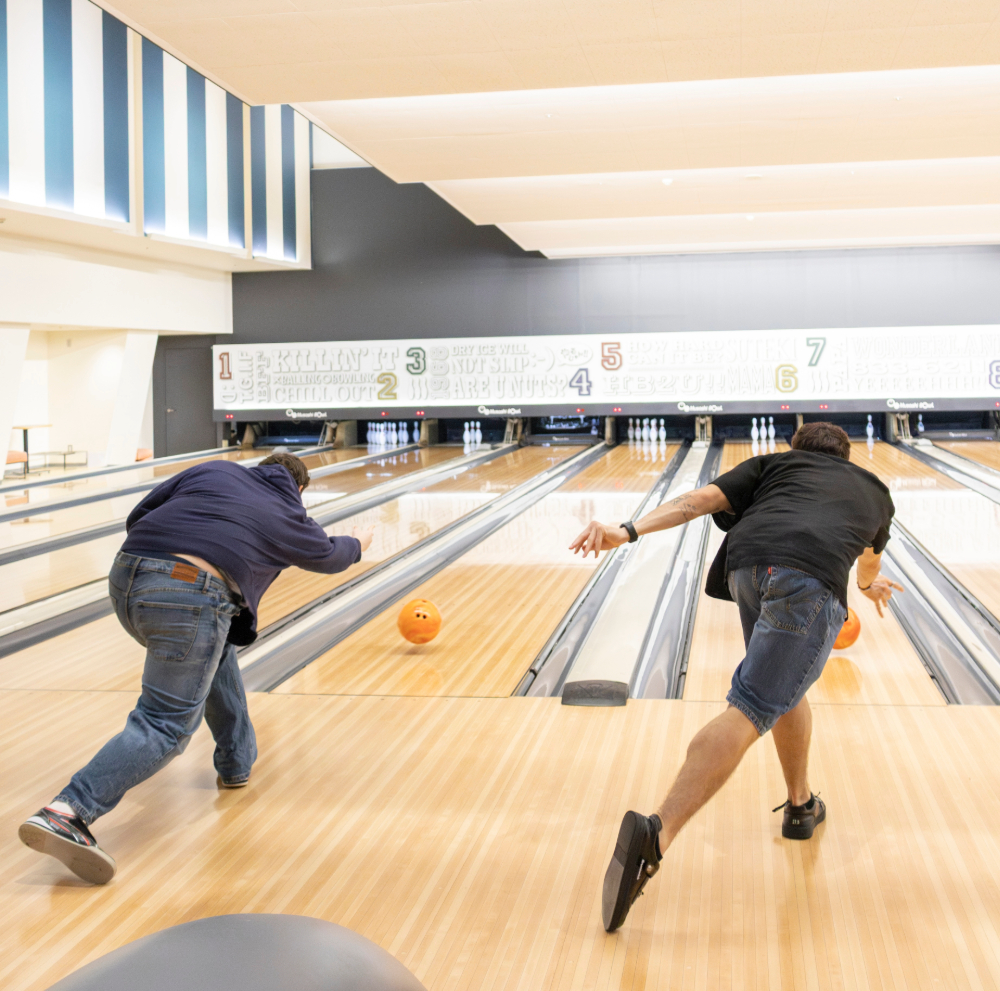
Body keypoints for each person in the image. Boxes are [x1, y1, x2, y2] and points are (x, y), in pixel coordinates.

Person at [569, 421, 903, 932]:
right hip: (809, 579)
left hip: (747, 567)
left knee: (782, 690)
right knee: (750, 707)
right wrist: (870, 587)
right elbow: (867, 560)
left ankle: (800, 805)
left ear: (797, 449)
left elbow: (695, 502)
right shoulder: (874, 492)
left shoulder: (776, 465)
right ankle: (656, 835)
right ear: (848, 456)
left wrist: (627, 530)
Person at [19, 452, 373, 885]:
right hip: (189, 594)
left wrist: (161, 563)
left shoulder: (215, 469)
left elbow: (143, 511)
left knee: (214, 649)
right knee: (165, 723)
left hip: (127, 576)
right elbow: (330, 556)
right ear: (299, 489)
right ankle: (67, 811)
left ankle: (236, 762)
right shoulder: (287, 511)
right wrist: (359, 542)